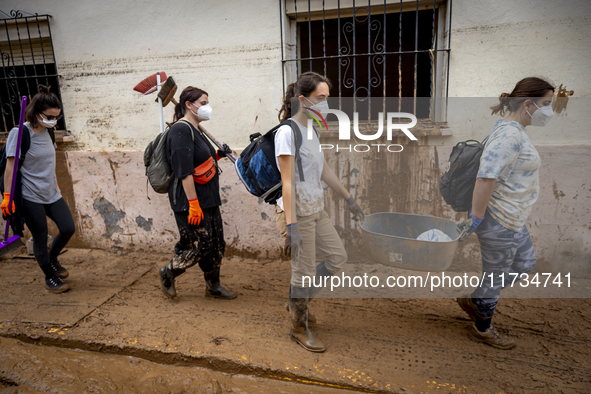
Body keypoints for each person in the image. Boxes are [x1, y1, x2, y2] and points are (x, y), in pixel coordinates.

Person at [457, 77, 555, 349]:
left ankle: (476, 300)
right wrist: (476, 218)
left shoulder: (515, 131)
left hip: (513, 218)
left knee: (524, 264)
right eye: (546, 104)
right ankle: (483, 327)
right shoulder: (509, 135)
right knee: (496, 276)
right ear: (528, 104)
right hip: (499, 219)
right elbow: (485, 178)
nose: (550, 110)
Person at [276, 72, 365, 352]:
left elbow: (323, 170)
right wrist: (292, 227)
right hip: (298, 212)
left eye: (328, 97)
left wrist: (349, 198)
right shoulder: (287, 133)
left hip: (317, 208)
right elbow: (287, 182)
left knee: (338, 257)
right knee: (302, 273)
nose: (326, 103)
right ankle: (298, 328)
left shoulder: (312, 129)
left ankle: (296, 302)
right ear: (302, 99)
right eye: (321, 98)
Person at [158, 86, 236, 300]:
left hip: (209, 198)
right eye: (203, 103)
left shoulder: (197, 129)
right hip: (190, 200)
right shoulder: (180, 130)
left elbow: (200, 162)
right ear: (188, 105)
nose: (207, 107)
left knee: (217, 244)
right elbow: (184, 171)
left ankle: (213, 285)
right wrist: (193, 203)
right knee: (201, 245)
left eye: (207, 103)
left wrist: (218, 155)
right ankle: (168, 271)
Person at [2, 85, 75, 294]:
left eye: (57, 117)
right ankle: (50, 277)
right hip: (30, 195)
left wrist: (56, 183)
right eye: (50, 116)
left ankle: (52, 259)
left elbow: (48, 162)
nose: (54, 121)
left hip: (52, 192)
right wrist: (8, 196)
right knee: (40, 237)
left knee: (68, 227)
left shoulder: (49, 133)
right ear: (36, 112)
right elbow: (11, 166)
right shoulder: (20, 133)